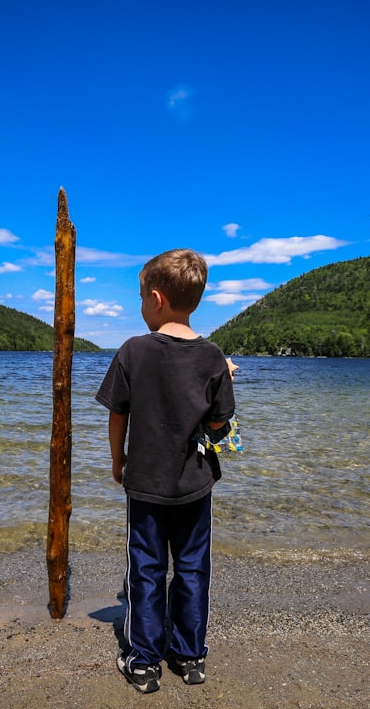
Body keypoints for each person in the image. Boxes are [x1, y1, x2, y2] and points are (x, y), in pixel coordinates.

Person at [96, 248, 236, 694]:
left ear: (155, 299)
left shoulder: (133, 351)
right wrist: (225, 379)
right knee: (194, 568)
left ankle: (143, 661)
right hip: (195, 483)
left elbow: (117, 413)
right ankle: (190, 656)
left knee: (147, 568)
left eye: (140, 298)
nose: (141, 306)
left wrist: (118, 460)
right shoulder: (213, 356)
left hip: (146, 484)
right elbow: (218, 424)